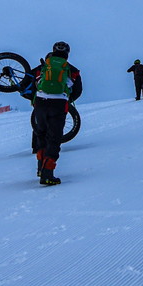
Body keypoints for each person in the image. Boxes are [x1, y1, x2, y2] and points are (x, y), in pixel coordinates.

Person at [32, 41, 82, 186]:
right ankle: (47, 174)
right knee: (54, 138)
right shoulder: (72, 69)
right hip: (59, 104)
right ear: (67, 53)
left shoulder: (44, 65)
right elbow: (78, 90)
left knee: (41, 133)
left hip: (40, 102)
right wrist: (67, 98)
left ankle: (40, 168)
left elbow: (32, 79)